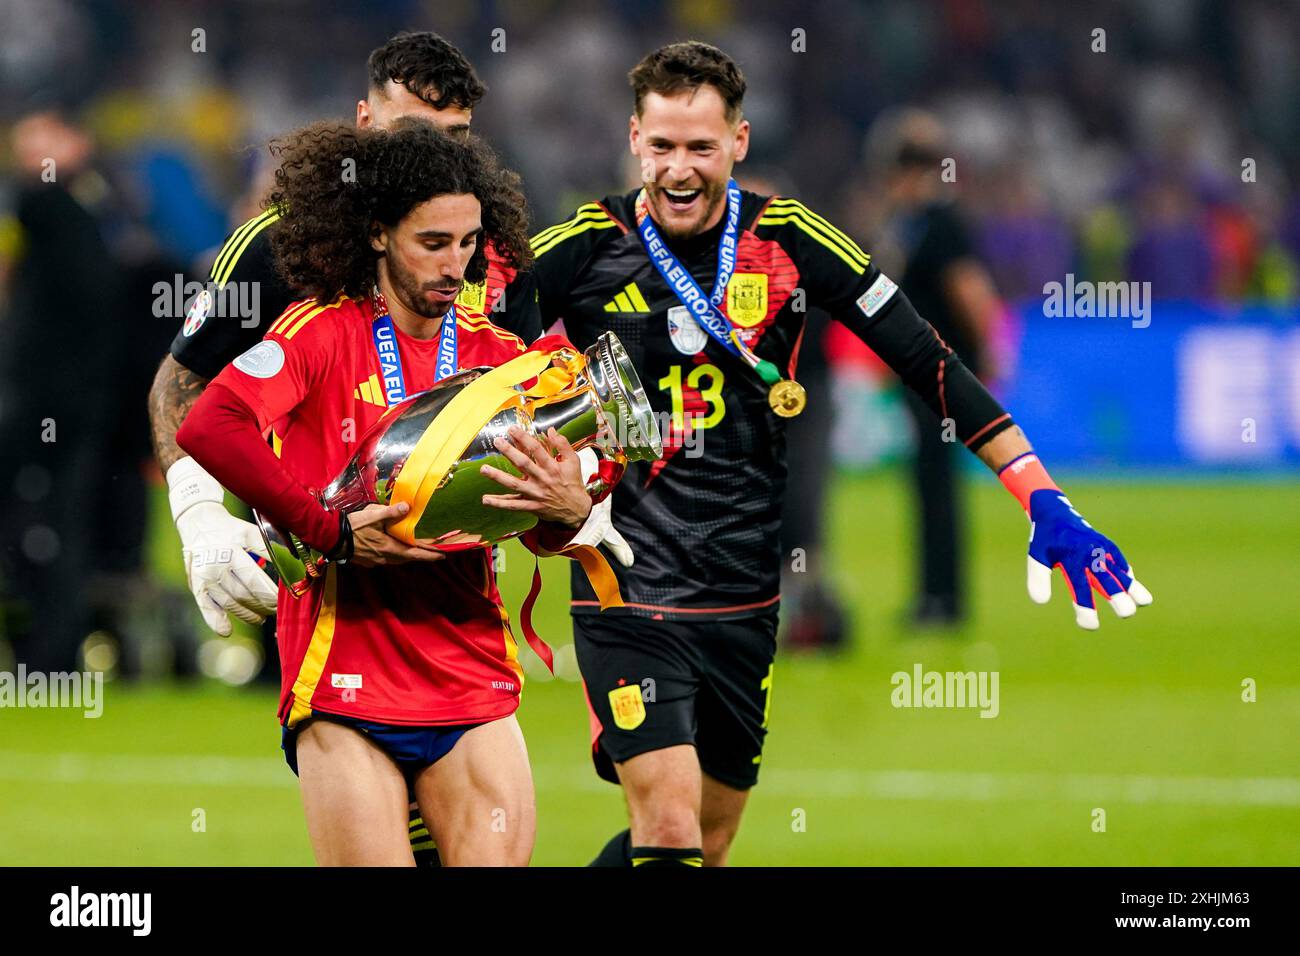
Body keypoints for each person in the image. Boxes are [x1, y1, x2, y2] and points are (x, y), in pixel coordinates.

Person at [502, 41, 1153, 867]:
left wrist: (1042, 497)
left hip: (746, 590)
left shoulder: (793, 239)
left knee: (705, 838)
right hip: (626, 585)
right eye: (662, 145)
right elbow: (475, 357)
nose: (678, 168)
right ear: (635, 137)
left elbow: (929, 363)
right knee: (666, 830)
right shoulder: (583, 245)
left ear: (738, 142)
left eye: (700, 147)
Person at [177, 120, 592, 866]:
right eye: (433, 243)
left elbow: (530, 520)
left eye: (468, 243)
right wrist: (326, 531)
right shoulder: (319, 332)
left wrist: (568, 513)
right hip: (344, 674)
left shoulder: (497, 354)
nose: (456, 265)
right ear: (376, 234)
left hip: (470, 668)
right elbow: (212, 423)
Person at [148, 29, 515, 866]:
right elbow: (182, 387)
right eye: (409, 129)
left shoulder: (480, 254)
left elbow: (513, 395)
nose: (424, 158)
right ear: (362, 120)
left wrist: (579, 506)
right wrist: (203, 518)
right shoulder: (281, 245)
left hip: (452, 593)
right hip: (327, 577)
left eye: (449, 140)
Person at [869, 109, 1007, 627]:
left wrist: (990, 353)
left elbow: (968, 290)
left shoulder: (939, 223)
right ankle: (935, 597)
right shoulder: (912, 224)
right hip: (921, 373)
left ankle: (943, 602)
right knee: (930, 484)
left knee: (937, 486)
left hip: (942, 372)